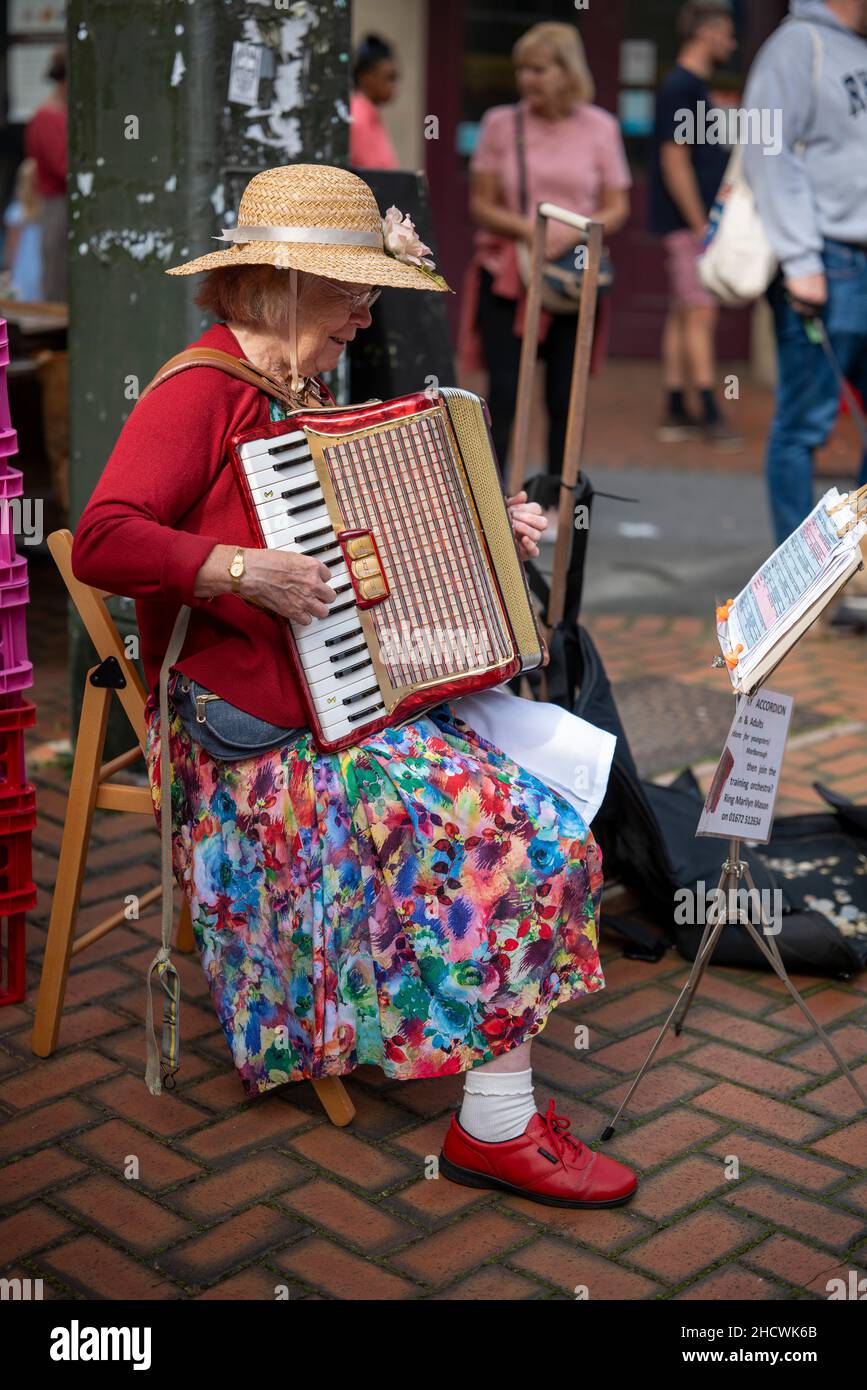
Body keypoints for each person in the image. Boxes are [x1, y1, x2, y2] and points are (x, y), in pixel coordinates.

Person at [71, 164, 637, 1210]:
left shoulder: (298, 387)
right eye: (351, 293)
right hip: (246, 736)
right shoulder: (200, 393)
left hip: (326, 700)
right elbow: (101, 535)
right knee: (525, 833)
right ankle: (495, 1125)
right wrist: (241, 570)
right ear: (283, 284)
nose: (366, 315)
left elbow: (371, 542)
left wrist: (482, 528)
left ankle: (462, 1053)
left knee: (534, 771)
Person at [462, 21, 631, 532]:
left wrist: (577, 233)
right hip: (509, 272)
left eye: (539, 68)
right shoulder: (500, 124)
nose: (527, 79)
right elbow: (480, 204)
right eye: (522, 70)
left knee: (565, 394)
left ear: (567, 70)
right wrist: (534, 229)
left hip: (572, 279)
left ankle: (557, 502)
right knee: (505, 391)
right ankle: (495, 503)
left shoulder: (600, 127)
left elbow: (618, 204)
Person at [743, 0, 867, 545]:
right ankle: (801, 586)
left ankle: (856, 565)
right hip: (827, 263)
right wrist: (800, 261)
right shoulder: (797, 45)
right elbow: (765, 150)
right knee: (805, 424)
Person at [649, 1, 742, 448]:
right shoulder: (680, 87)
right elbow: (674, 160)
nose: (732, 42)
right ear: (706, 33)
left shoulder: (689, 86)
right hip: (690, 224)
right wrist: (701, 224)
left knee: (684, 311)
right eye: (726, 32)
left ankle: (676, 408)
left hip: (686, 223)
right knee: (701, 311)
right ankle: (707, 411)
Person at [24, 44, 67, 303]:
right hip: (58, 207)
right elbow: (63, 167)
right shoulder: (48, 117)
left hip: (63, 206)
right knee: (58, 281)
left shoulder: (59, 114)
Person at [349, 33, 400, 170]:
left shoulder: (370, 114)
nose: (394, 86)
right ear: (367, 77)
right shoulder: (357, 118)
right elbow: (372, 177)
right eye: (389, 78)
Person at [2, 158, 43, 302]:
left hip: (26, 267)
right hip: (35, 265)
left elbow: (11, 247)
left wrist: (8, 270)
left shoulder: (18, 211)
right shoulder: (20, 212)